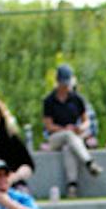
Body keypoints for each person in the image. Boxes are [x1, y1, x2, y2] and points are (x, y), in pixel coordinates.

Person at [41, 64, 102, 194]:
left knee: (68, 148)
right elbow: (48, 125)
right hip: (55, 137)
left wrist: (80, 128)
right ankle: (89, 162)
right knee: (68, 135)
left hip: (74, 138)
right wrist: (64, 129)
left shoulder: (77, 99)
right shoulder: (49, 101)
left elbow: (86, 121)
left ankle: (72, 185)